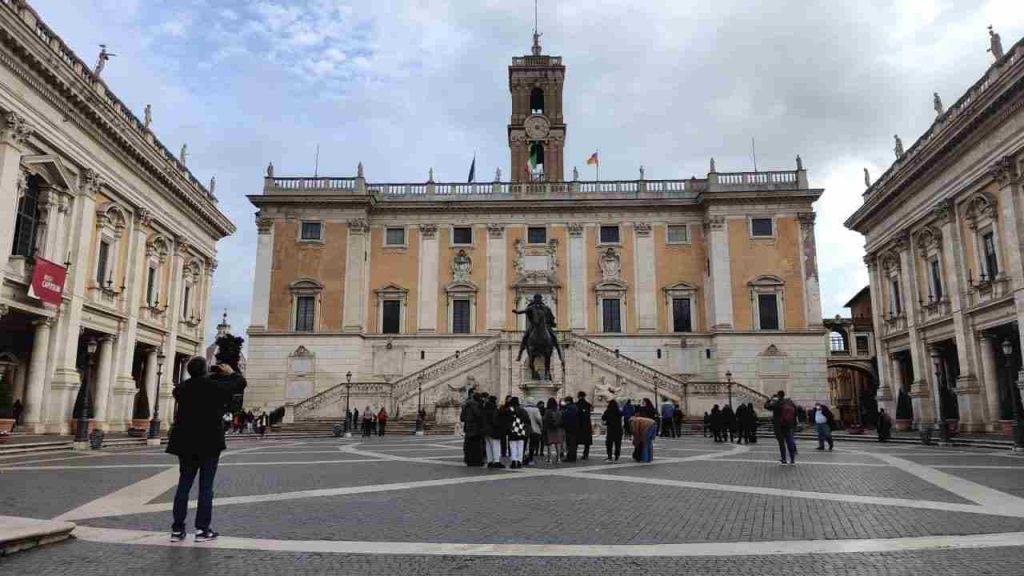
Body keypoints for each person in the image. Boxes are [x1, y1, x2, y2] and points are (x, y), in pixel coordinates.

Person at [165, 357, 246, 543]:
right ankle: (202, 530)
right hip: (209, 442)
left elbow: (188, 386)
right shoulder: (215, 387)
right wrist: (230, 372)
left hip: (185, 442)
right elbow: (240, 383)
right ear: (204, 370)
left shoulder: (181, 389)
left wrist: (204, 376)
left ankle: (177, 530)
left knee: (183, 485)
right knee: (205, 487)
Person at [765, 390, 798, 465]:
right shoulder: (790, 402)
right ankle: (792, 460)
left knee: (781, 443)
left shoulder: (777, 403)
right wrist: (793, 422)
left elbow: (766, 406)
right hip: (789, 425)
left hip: (779, 426)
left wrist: (769, 399)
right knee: (790, 442)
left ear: (778, 395)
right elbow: (796, 411)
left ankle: (784, 460)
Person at [460, 393, 485, 466]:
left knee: (468, 445)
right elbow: (479, 415)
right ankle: (476, 461)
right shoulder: (475, 405)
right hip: (475, 428)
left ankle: (468, 460)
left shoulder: (465, 405)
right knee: (476, 446)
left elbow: (462, 418)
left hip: (468, 427)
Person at [507, 397, 531, 468]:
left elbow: (506, 420)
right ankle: (520, 461)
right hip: (521, 430)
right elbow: (527, 420)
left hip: (512, 430)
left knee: (513, 446)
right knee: (520, 446)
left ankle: (514, 461)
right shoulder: (522, 410)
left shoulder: (509, 410)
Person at [483, 395, 505, 468]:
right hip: (493, 430)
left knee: (488, 446)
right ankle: (496, 461)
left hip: (486, 430)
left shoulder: (485, 409)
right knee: (496, 445)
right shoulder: (494, 410)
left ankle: (490, 461)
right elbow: (495, 421)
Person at [542, 397, 564, 464]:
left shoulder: (547, 411)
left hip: (549, 429)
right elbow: (561, 419)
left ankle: (550, 459)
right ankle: (558, 459)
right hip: (557, 429)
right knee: (557, 444)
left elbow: (544, 419)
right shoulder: (559, 411)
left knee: (549, 444)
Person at [523, 398, 543, 466]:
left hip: (525, 429)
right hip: (534, 429)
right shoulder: (536, 409)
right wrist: (541, 426)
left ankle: (522, 457)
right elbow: (539, 419)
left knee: (524, 444)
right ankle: (530, 459)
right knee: (532, 445)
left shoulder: (524, 409)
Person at [576, 391, 594, 460]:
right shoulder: (588, 404)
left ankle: (574, 453)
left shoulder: (576, 404)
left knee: (576, 441)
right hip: (587, 425)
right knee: (587, 442)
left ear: (579, 396)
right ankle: (585, 454)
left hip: (578, 425)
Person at [561, 396, 579, 462]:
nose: (565, 402)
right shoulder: (574, 407)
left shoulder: (570, 408)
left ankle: (571, 457)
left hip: (570, 428)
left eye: (565, 401)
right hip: (574, 428)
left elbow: (566, 417)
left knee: (570, 443)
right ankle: (572, 456)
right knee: (572, 443)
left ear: (568, 401)